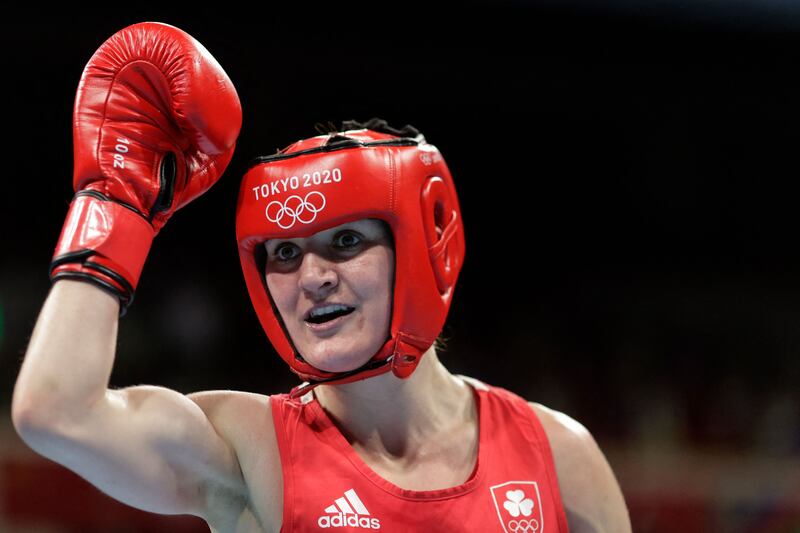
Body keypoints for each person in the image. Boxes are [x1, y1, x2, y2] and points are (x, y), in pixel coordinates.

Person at [11, 22, 631, 533]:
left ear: (421, 249)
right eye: (283, 254)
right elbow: (55, 413)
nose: (312, 278)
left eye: (345, 242)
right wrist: (115, 206)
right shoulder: (248, 451)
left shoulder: (555, 455)